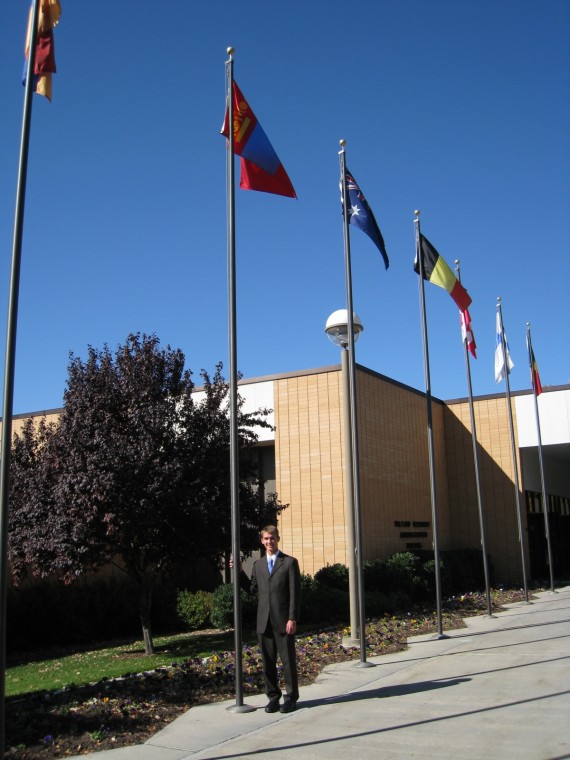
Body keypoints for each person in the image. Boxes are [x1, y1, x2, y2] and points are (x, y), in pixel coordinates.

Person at [250, 525, 301, 713]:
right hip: (264, 622)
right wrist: (238, 572)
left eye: (272, 538)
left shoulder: (288, 563)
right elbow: (252, 590)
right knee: (267, 663)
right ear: (262, 542)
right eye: (265, 539)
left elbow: (295, 594)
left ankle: (291, 698)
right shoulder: (258, 565)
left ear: (277, 539)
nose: (269, 542)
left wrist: (292, 618)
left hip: (283, 621)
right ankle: (273, 698)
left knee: (287, 661)